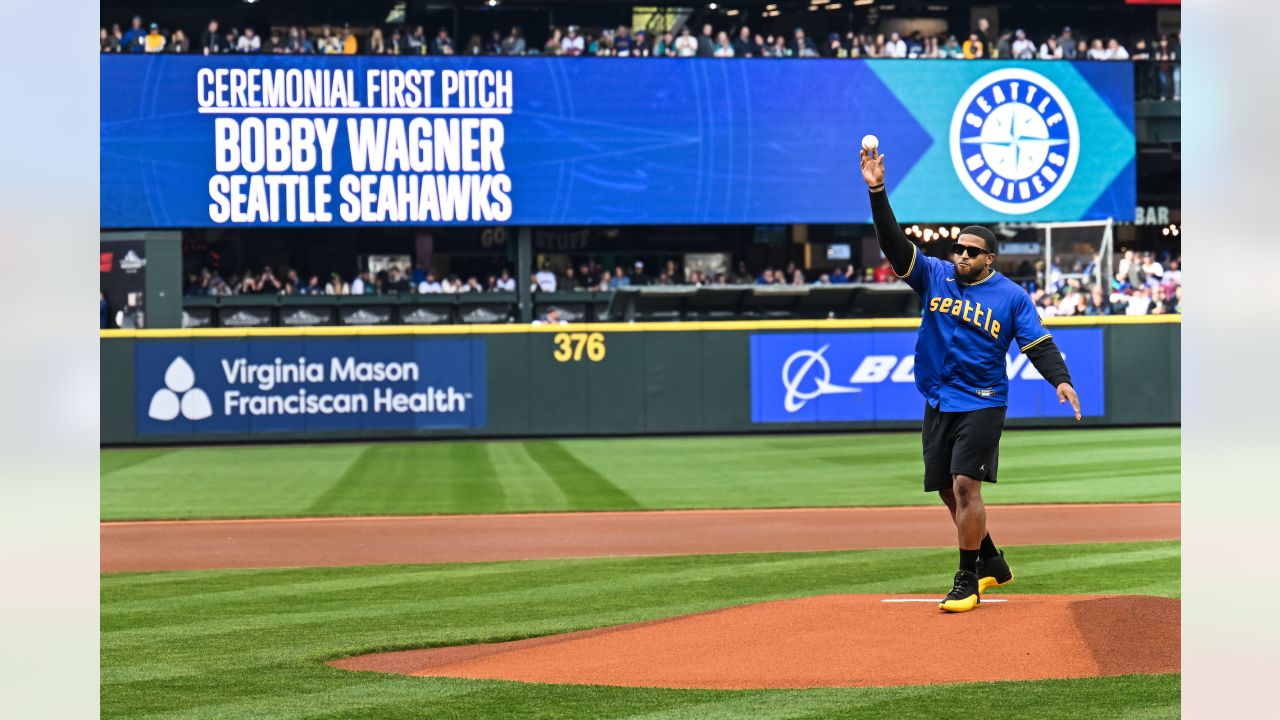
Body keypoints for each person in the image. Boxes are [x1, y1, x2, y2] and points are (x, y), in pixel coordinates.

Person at [860, 140, 1080, 613]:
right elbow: (895, 247)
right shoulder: (935, 275)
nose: (960, 254)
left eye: (971, 251)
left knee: (964, 485)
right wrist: (878, 192)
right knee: (944, 487)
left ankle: (968, 581)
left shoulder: (1011, 297)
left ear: (989, 259)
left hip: (982, 399)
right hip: (939, 398)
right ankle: (992, 560)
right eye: (958, 247)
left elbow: (1036, 342)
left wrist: (1058, 378)